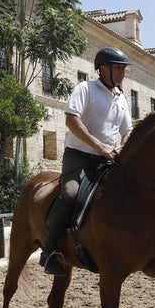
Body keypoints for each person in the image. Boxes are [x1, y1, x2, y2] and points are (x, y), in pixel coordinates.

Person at [40, 46, 134, 275]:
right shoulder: (86, 89)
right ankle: (50, 252)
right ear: (103, 69)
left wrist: (123, 147)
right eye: (118, 68)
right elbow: (72, 121)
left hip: (107, 161)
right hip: (79, 159)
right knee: (70, 194)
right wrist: (99, 145)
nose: (122, 73)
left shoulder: (121, 98)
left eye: (124, 69)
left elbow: (127, 130)